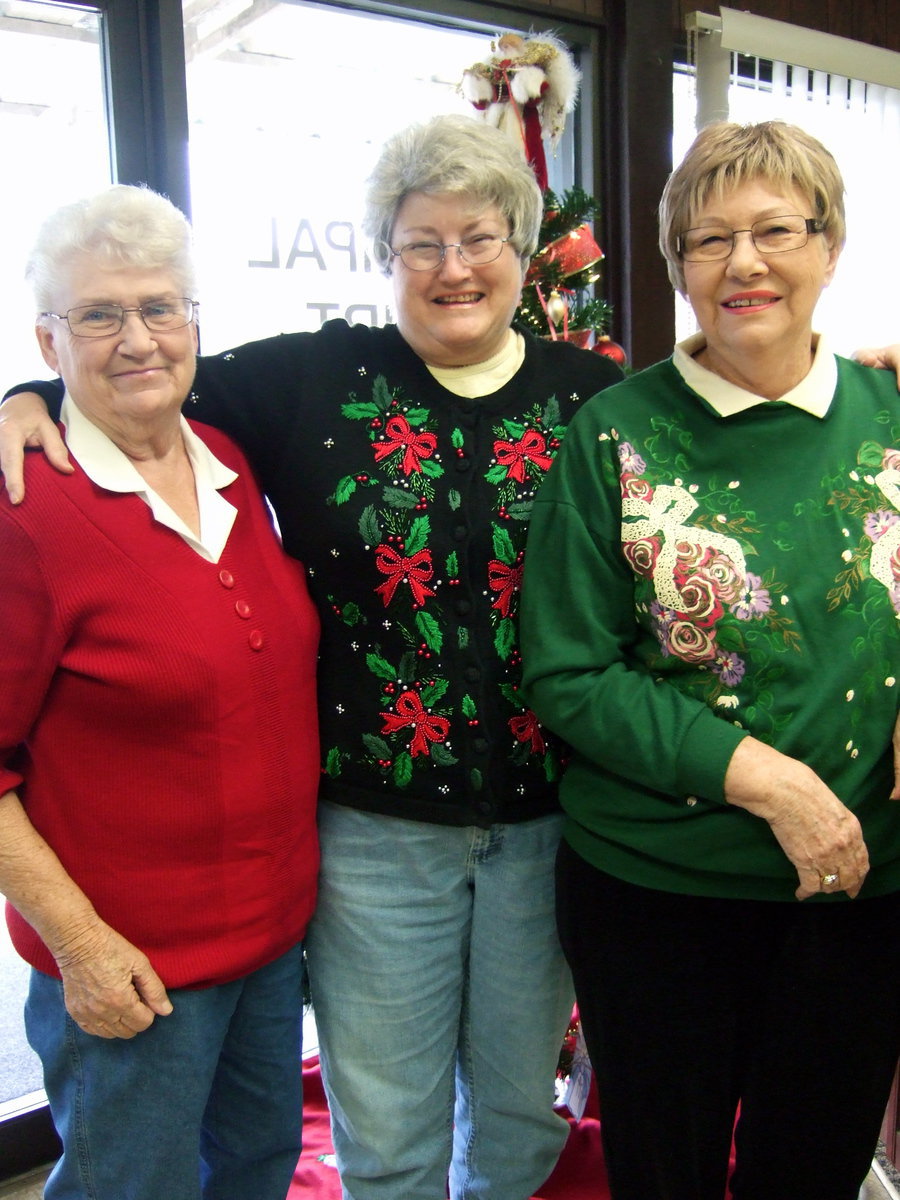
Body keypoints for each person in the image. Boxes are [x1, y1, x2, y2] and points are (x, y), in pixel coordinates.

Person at [0, 115, 624, 1200]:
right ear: (386, 254)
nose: (452, 266)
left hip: (543, 826)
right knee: (384, 1128)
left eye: (479, 237)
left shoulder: (594, 398)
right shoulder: (311, 379)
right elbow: (135, 377)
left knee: (517, 1117)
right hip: (372, 835)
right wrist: (21, 400)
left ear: (523, 251)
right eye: (420, 242)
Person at [519, 119, 900, 1200]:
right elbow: (570, 673)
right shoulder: (613, 435)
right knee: (664, 1175)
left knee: (813, 1171)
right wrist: (772, 784)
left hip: (863, 892)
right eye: (709, 239)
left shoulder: (890, 413)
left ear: (830, 246)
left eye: (777, 230)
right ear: (676, 265)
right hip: (658, 896)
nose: (744, 263)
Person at [0, 184, 320, 1200]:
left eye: (159, 308)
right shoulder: (23, 509)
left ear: (194, 325)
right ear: (49, 343)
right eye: (99, 314)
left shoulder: (225, 460)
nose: (138, 339)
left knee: (258, 1167)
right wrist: (81, 945)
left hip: (269, 942)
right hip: (132, 965)